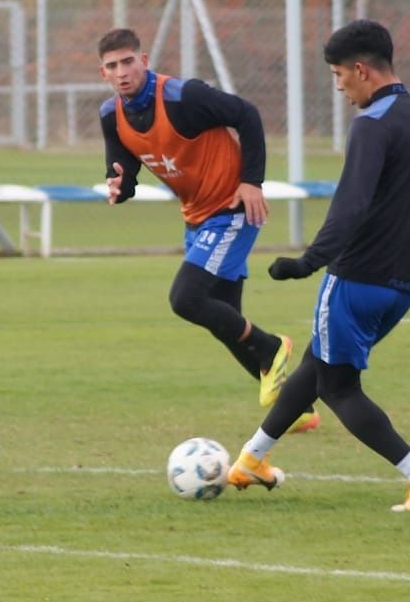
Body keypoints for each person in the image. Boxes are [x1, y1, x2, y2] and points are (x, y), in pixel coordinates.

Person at [226, 19, 410, 511]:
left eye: (338, 75)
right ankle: (251, 459)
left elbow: (351, 205)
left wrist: (309, 261)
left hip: (357, 279)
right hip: (404, 285)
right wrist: (404, 245)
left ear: (361, 70)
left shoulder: (372, 124)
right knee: (318, 364)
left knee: (338, 388)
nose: (338, 87)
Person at [96, 27, 317, 433]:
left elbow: (246, 114)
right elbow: (124, 171)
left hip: (232, 208)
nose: (122, 71)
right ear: (103, 74)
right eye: (113, 66)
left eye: (128, 61)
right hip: (196, 218)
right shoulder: (112, 115)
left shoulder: (184, 97)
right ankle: (296, 409)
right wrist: (118, 186)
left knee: (185, 299)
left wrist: (252, 181)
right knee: (223, 320)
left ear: (144, 61)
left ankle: (272, 346)